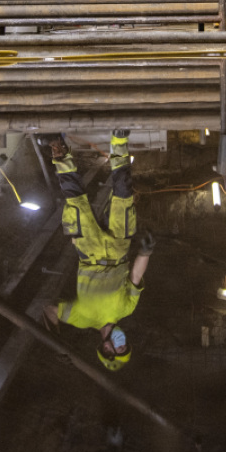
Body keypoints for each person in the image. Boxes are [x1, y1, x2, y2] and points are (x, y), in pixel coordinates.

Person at [42, 132, 153, 369]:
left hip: (89, 253)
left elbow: (50, 310)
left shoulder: (82, 319)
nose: (123, 342)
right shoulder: (126, 309)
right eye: (125, 346)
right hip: (117, 251)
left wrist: (55, 341)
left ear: (106, 348)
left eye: (119, 348)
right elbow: (135, 277)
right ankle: (119, 139)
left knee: (75, 198)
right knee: (123, 192)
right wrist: (145, 252)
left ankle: (58, 148)